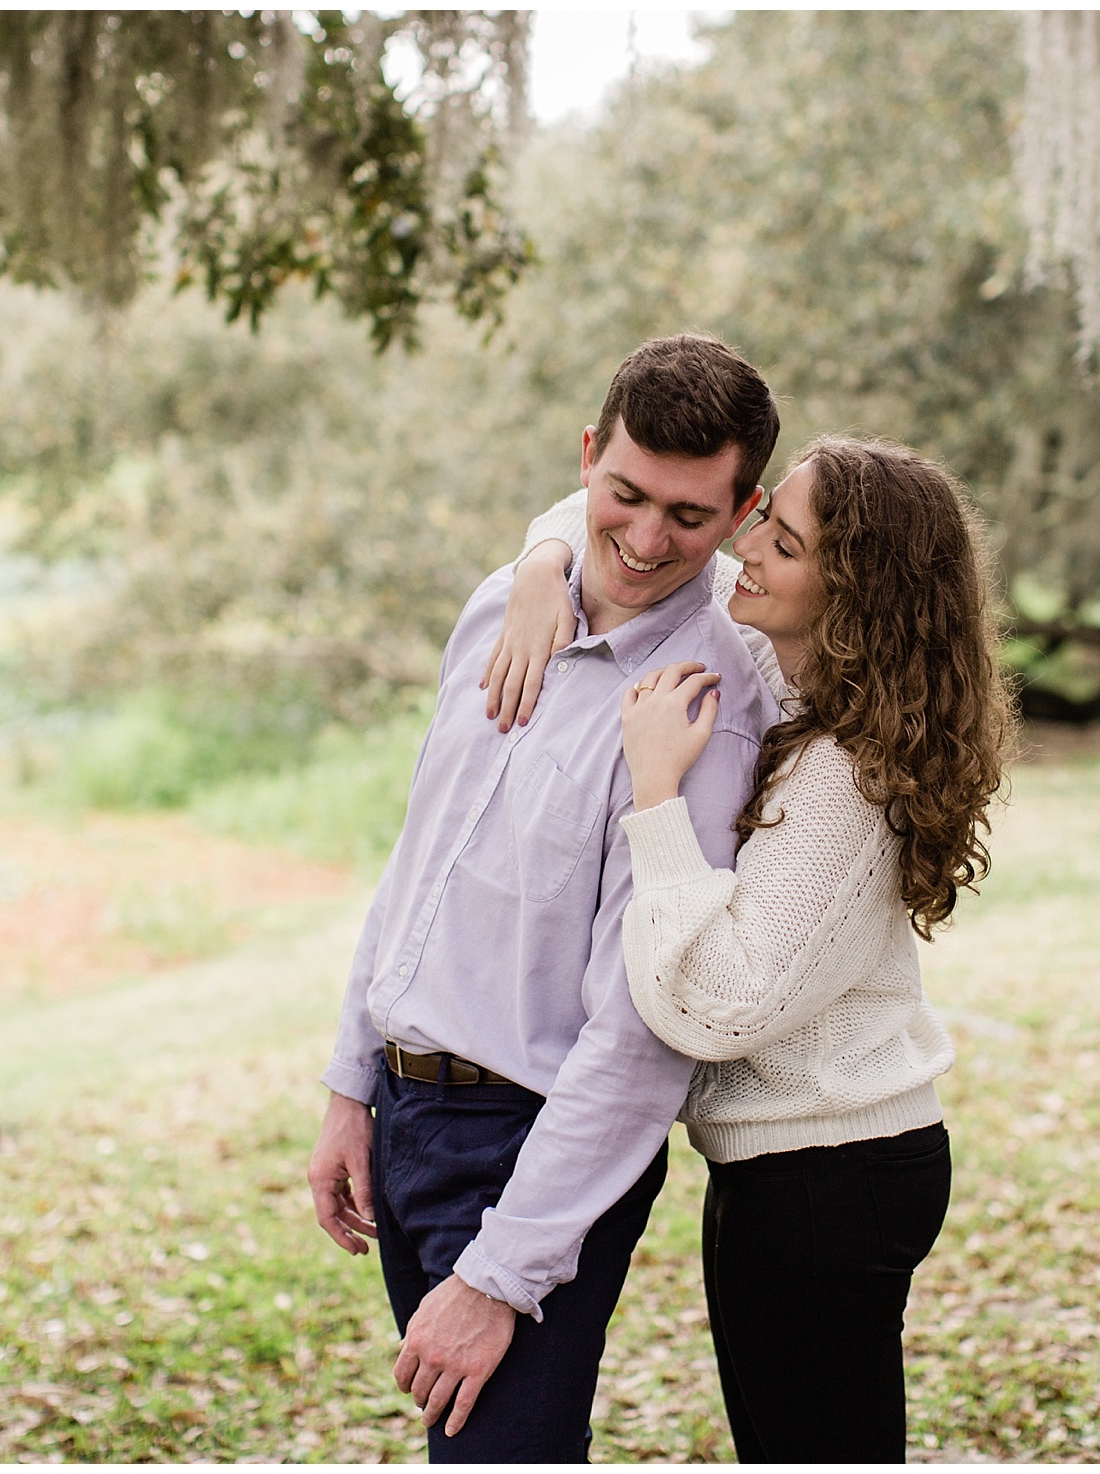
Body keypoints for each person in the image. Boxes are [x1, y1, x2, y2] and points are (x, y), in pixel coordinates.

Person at [306, 334, 781, 1462]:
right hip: (408, 1110)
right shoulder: (497, 606)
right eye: (624, 495)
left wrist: (503, 1271)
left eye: (690, 516)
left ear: (743, 510)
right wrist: (349, 1082)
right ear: (584, 458)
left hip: (534, 1144)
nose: (648, 540)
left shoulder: (707, 702)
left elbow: (642, 1026)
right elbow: (419, 862)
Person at [489, 434, 1009, 1461]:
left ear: (852, 589)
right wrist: (540, 567)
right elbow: (612, 522)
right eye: (760, 521)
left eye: (781, 538)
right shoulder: (801, 674)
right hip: (812, 1162)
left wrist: (654, 796)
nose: (746, 548)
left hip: (826, 1173)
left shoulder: (842, 780)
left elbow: (717, 1006)